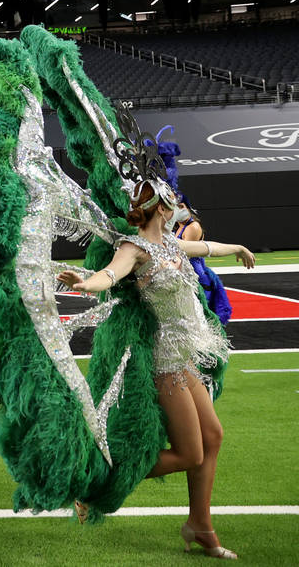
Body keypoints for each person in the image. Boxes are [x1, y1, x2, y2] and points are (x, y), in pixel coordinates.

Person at [57, 181, 254, 558]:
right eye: (173, 203)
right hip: (164, 363)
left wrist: (238, 249)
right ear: (162, 209)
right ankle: (95, 484)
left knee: (213, 436)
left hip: (185, 357)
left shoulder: (170, 243)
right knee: (190, 454)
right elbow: (111, 275)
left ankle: (200, 526)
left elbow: (206, 248)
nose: (179, 207)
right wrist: (86, 283)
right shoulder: (135, 248)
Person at [172, 196, 232, 325]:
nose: (179, 209)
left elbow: (184, 253)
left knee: (200, 320)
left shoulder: (193, 227)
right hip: (187, 273)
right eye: (176, 207)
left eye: (181, 206)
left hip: (195, 276)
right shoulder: (178, 228)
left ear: (189, 208)